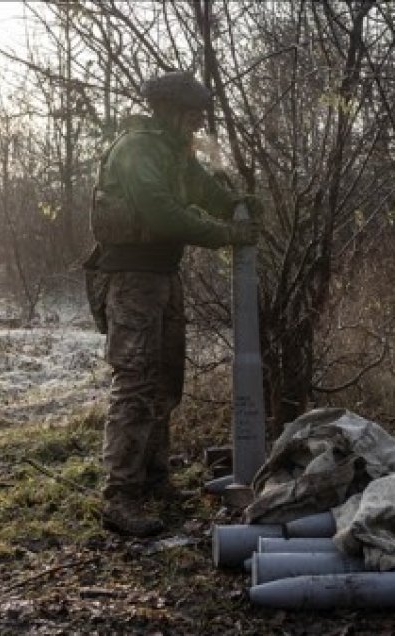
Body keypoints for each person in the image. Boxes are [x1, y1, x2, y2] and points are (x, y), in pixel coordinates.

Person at [86, 71, 259, 537]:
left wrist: (239, 206)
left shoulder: (175, 152)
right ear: (168, 110)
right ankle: (120, 495)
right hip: (131, 279)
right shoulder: (138, 149)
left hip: (163, 275)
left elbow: (207, 193)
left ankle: (155, 481)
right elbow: (160, 214)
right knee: (136, 383)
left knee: (164, 382)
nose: (198, 122)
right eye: (191, 114)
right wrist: (227, 235)